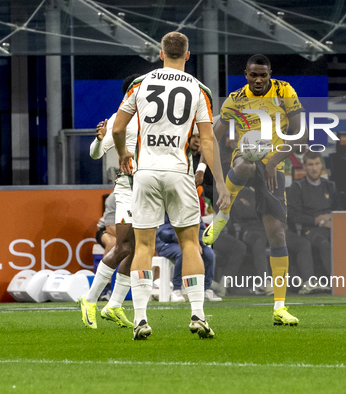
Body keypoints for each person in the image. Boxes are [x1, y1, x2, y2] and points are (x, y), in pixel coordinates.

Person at [113, 31, 229, 340]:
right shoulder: (199, 89)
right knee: (190, 243)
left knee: (144, 246)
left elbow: (119, 126)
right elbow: (206, 139)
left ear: (160, 54)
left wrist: (124, 152)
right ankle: (197, 315)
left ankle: (139, 318)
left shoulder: (141, 83)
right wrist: (220, 182)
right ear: (188, 56)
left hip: (146, 172)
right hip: (179, 172)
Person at [202, 54, 305, 326]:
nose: (258, 79)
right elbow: (213, 136)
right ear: (245, 74)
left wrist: (273, 161)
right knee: (246, 164)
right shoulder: (235, 99)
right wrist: (213, 177)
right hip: (245, 155)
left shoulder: (284, 91)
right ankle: (223, 214)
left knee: (278, 234)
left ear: (270, 73)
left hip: (275, 162)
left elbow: (301, 133)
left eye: (263, 75)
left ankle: (280, 307)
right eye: (253, 75)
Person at [78, 74, 142, 330]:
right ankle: (89, 299)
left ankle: (114, 305)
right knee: (125, 245)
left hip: (148, 190)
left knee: (138, 248)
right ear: (131, 93)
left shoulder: (152, 117)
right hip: (127, 188)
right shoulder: (118, 119)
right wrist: (98, 137)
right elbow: (95, 155)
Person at [287, 151, 341, 288]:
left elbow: (340, 210)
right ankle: (338, 284)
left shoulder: (331, 186)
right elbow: (293, 215)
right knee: (323, 244)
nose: (314, 168)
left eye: (317, 164)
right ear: (304, 167)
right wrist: (317, 220)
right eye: (310, 165)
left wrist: (330, 218)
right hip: (310, 230)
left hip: (331, 227)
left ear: (322, 166)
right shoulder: (297, 187)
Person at [155, 214, 222, 302]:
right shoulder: (167, 208)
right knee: (184, 252)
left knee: (209, 254)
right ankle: (176, 290)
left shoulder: (192, 207)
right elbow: (164, 232)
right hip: (167, 243)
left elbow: (201, 229)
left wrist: (196, 241)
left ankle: (206, 289)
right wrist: (188, 240)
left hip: (192, 242)